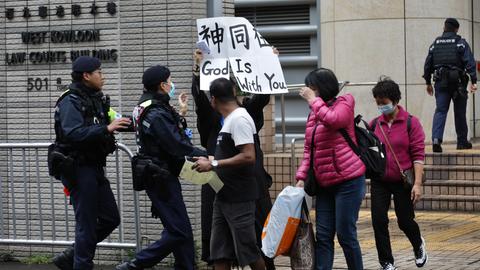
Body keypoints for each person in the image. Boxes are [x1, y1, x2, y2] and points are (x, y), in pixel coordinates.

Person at [116, 65, 206, 270]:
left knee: (179, 229)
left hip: (159, 173)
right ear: (162, 85)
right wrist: (203, 154)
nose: (171, 84)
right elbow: (175, 144)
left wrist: (181, 112)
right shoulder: (155, 111)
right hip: (160, 175)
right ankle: (135, 265)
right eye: (169, 81)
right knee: (179, 231)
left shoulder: (147, 105)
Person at [192, 49, 275, 269]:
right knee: (219, 250)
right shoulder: (222, 119)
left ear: (215, 99)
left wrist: (268, 64)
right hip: (221, 192)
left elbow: (248, 156)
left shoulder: (240, 118)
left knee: (248, 249)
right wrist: (198, 70)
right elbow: (199, 101)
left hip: (240, 194)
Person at [51, 56, 132, 270]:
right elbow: (72, 133)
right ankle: (81, 264)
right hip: (78, 168)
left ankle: (72, 256)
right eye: (99, 72)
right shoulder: (70, 100)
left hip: (95, 167)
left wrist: (141, 121)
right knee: (86, 225)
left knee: (110, 218)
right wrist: (106, 129)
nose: (103, 76)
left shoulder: (95, 99)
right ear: (86, 76)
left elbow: (117, 121)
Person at [295, 68, 366, 270]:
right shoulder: (314, 113)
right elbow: (309, 148)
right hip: (324, 183)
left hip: (348, 181)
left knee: (346, 235)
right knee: (324, 236)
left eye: (312, 87)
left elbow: (334, 120)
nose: (309, 91)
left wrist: (313, 101)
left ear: (322, 87)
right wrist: (301, 176)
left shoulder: (345, 102)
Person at [369, 77, 428, 270]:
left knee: (405, 221)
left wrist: (417, 184)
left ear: (395, 100)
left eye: (384, 103)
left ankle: (418, 243)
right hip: (380, 180)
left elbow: (418, 155)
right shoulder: (374, 125)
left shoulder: (411, 123)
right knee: (378, 220)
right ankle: (386, 262)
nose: (380, 107)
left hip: (403, 181)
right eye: (378, 103)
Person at [423, 17, 477, 152]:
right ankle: (462, 142)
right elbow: (470, 62)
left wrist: (428, 82)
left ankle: (436, 139)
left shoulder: (435, 44)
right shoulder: (460, 43)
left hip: (440, 82)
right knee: (459, 112)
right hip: (458, 83)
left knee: (440, 110)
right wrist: (474, 81)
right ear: (456, 29)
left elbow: (428, 64)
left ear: (444, 28)